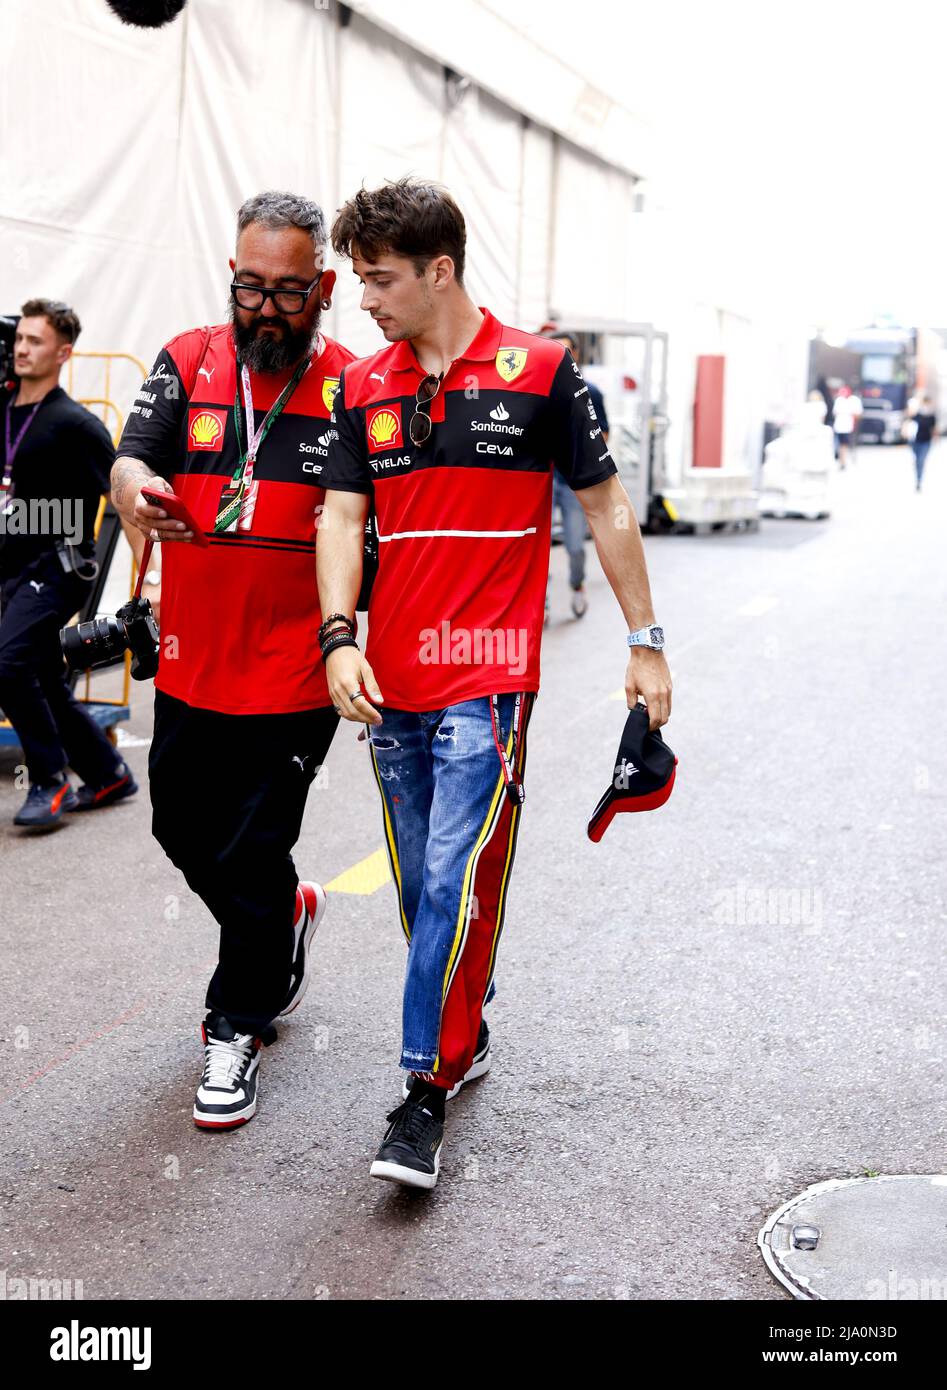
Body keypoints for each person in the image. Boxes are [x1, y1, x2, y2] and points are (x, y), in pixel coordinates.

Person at [317, 178, 672, 1190]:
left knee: (449, 878)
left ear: (439, 270)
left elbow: (604, 511)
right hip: (391, 685)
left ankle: (421, 1092)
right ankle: (460, 1016)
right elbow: (340, 521)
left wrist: (644, 642)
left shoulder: (545, 372)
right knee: (421, 884)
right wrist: (339, 637)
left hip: (489, 678)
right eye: (357, 280)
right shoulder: (364, 386)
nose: (365, 300)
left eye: (378, 279)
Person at [111, 191, 354, 1130]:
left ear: (323, 287)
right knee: (182, 830)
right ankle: (281, 919)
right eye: (249, 287)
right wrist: (138, 490)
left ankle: (234, 1027)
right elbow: (130, 457)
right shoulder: (186, 359)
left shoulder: (354, 385)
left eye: (288, 293)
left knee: (252, 845)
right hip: (192, 663)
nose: (263, 309)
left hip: (301, 669)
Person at [0, 298, 137, 829]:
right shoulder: (5, 409)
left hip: (57, 570)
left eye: (35, 341)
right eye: (20, 339)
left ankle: (48, 778)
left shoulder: (76, 423)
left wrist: (151, 577)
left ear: (63, 353)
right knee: (39, 674)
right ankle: (108, 773)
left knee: (7, 663)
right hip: (12, 567)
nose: (22, 348)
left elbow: (122, 490)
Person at [543, 328, 610, 621]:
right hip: (539, 482)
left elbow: (603, 434)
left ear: (575, 355)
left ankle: (577, 584)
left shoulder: (590, 392)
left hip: (571, 483)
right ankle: (540, 601)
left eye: (565, 350)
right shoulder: (535, 388)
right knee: (536, 548)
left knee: (573, 546)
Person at [906, 393, 937, 491]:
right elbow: (908, 420)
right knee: (917, 460)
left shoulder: (932, 416)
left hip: (926, 442)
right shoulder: (917, 415)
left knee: (921, 460)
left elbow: (934, 429)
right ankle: (917, 470)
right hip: (915, 441)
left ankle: (919, 480)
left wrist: (936, 438)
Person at [831, 385, 862, 468]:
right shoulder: (839, 400)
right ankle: (842, 460)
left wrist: (850, 413)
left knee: (846, 444)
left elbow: (858, 414)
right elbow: (835, 413)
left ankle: (844, 460)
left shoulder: (854, 400)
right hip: (839, 426)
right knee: (841, 444)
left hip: (849, 427)